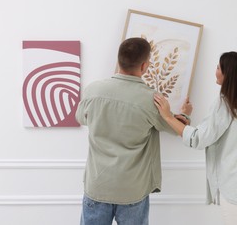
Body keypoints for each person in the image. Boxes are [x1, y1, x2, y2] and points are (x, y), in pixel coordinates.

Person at [75, 37, 190, 225]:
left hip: (97, 185)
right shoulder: (151, 100)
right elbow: (176, 129)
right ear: (144, 66)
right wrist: (185, 115)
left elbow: (81, 118)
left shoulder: (93, 91)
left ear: (118, 60)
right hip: (132, 190)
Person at [154, 51, 237, 225]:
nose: (215, 71)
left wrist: (168, 117)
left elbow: (198, 139)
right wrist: (185, 118)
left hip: (236, 185)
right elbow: (212, 133)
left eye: (218, 67)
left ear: (228, 73)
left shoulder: (225, 103)